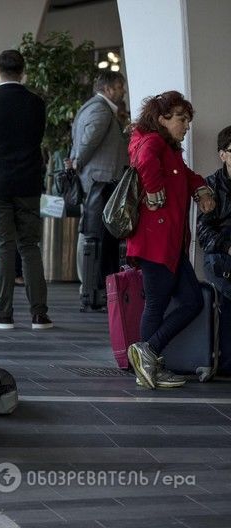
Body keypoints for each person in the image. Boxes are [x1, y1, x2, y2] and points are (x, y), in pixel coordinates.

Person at [126, 91, 215, 389]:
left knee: (190, 300)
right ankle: (147, 361)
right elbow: (143, 161)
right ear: (162, 118)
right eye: (181, 118)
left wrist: (201, 188)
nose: (186, 125)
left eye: (188, 120)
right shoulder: (152, 141)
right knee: (158, 303)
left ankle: (147, 355)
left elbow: (185, 175)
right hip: (156, 242)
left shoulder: (169, 147)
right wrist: (152, 188)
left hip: (169, 243)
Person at [0, 50, 52, 330]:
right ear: (23, 71)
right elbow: (37, 138)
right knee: (30, 246)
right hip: (29, 184)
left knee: (3, 247)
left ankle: (3, 312)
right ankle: (39, 314)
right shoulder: (37, 104)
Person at [70, 71, 129, 310]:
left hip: (98, 180)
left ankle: (93, 288)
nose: (123, 91)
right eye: (119, 87)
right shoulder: (101, 110)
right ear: (107, 89)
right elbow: (88, 141)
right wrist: (77, 162)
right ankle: (94, 289)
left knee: (95, 236)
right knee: (97, 238)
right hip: (100, 181)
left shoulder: (91, 107)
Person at [197, 125, 231, 301]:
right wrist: (228, 247)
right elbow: (203, 232)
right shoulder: (210, 186)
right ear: (222, 155)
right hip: (221, 254)